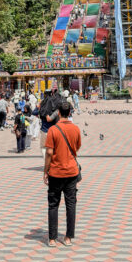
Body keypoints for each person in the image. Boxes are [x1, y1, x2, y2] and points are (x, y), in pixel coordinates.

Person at [44, 101, 81, 248]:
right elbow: (77, 147)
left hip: (56, 172)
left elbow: (49, 152)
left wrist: (45, 170)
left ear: (58, 113)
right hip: (71, 172)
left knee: (53, 205)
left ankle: (52, 239)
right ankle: (68, 238)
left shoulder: (52, 130)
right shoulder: (76, 129)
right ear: (70, 113)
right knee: (71, 205)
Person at [39, 88, 62, 158]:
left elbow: (37, 112)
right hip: (54, 129)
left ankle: (46, 161)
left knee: (43, 147)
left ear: (44, 94)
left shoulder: (43, 102)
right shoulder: (55, 101)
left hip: (45, 129)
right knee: (54, 147)